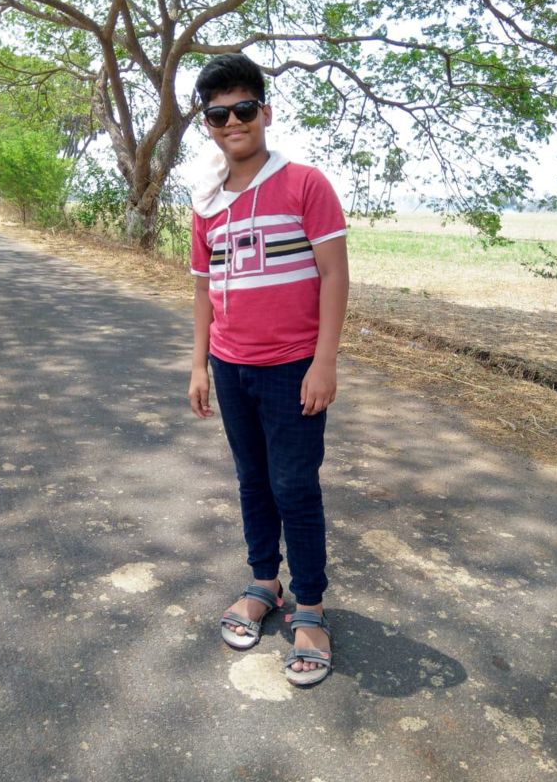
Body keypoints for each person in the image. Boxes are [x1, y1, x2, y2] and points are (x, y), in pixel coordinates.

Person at [187, 53, 349, 686]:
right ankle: (263, 582)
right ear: (208, 124)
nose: (233, 122)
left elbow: (333, 274)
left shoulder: (305, 184)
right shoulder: (206, 203)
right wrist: (199, 366)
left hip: (293, 368)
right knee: (252, 480)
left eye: (244, 109)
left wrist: (324, 361)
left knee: (294, 485)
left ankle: (310, 607)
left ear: (265, 113)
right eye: (219, 114)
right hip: (230, 366)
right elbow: (203, 289)